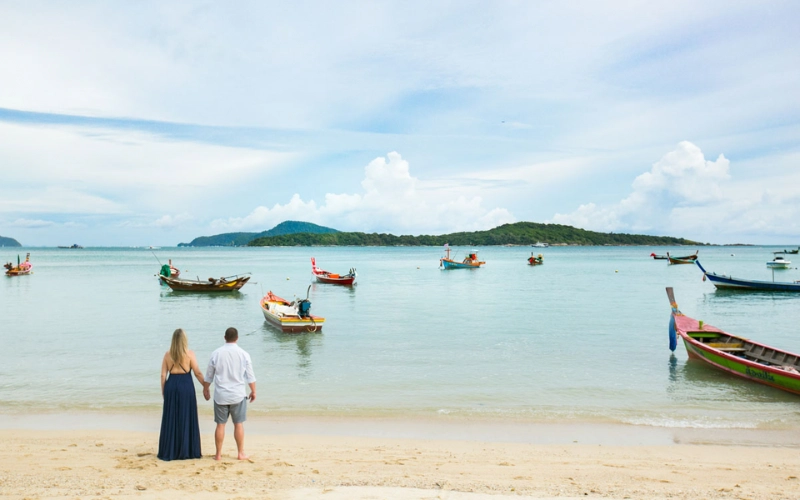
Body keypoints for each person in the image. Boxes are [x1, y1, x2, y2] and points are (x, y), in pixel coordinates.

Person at [203, 327, 256, 461]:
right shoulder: (244, 354)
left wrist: (206, 388)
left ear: (224, 337)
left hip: (221, 395)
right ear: (237, 338)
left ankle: (218, 454)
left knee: (220, 424)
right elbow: (250, 376)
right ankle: (240, 453)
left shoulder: (216, 353)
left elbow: (209, 375)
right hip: (238, 395)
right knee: (238, 424)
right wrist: (253, 391)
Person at [158, 328, 205, 461]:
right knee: (186, 416)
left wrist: (164, 391)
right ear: (184, 340)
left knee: (171, 418)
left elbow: (163, 375)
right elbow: (197, 373)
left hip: (171, 386)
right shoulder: (190, 354)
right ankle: (188, 450)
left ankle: (170, 450)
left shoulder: (167, 355)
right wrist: (205, 386)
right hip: (186, 386)